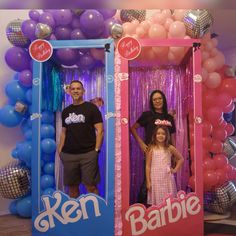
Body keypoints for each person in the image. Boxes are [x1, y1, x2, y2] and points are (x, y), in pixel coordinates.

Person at [58, 80, 104, 198]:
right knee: (72, 188)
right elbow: (64, 132)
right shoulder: (66, 111)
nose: (75, 91)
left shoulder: (92, 108)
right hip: (68, 155)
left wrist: (96, 150)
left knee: (91, 187)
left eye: (78, 88)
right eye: (73, 89)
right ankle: (75, 215)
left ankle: (96, 215)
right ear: (69, 91)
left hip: (88, 154)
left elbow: (100, 130)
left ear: (83, 91)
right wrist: (60, 150)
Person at [130, 90, 176, 204]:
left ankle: (163, 207)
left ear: (163, 100)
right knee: (148, 181)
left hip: (166, 154)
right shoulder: (147, 115)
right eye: (154, 99)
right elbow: (133, 128)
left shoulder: (169, 117)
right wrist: (141, 143)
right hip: (152, 153)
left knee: (166, 180)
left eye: (159, 98)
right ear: (151, 102)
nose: (157, 101)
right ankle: (142, 209)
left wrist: (174, 155)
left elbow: (172, 137)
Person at [146, 125, 184, 206]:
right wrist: (148, 181)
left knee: (168, 201)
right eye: (158, 133)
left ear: (166, 135)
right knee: (157, 203)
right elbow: (148, 166)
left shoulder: (170, 148)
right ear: (155, 135)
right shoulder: (151, 148)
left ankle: (168, 215)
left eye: (163, 134)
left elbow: (181, 159)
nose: (160, 135)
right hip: (155, 178)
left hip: (167, 178)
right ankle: (159, 216)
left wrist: (175, 170)